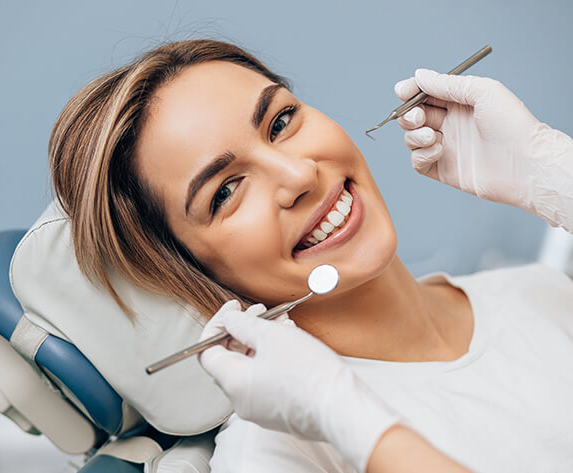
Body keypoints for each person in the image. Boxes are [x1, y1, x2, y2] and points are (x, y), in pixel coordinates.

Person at [48, 39, 573, 473]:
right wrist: (344, 418)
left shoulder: (539, 293)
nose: (298, 176)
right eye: (226, 192)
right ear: (188, 268)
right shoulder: (276, 452)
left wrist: (557, 179)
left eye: (280, 123)